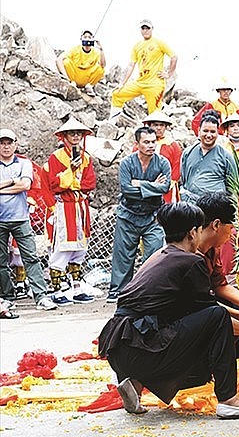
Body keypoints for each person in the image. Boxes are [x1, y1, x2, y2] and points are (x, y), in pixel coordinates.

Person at [97, 202, 239, 418]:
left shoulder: (158, 255)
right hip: (141, 347)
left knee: (200, 323)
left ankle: (136, 383)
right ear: (193, 232)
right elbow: (214, 317)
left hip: (119, 348)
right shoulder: (191, 261)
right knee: (217, 317)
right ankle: (228, 400)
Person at [108, 127, 171, 303]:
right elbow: (126, 190)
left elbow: (165, 188)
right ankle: (118, 292)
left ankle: (148, 290)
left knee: (154, 253)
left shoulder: (162, 163)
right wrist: (152, 186)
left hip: (153, 215)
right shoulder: (127, 163)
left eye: (153, 142)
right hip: (128, 214)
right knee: (123, 255)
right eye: (146, 142)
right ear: (137, 144)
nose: (151, 145)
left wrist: (140, 184)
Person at [0, 129, 56, 313]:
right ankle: (7, 297)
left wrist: (2, 187)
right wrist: (12, 181)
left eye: (9, 143)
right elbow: (19, 184)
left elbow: (26, 185)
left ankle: (41, 296)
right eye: (2, 143)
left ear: (15, 144)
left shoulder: (24, 163)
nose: (6, 147)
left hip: (21, 218)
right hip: (0, 218)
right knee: (1, 261)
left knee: (31, 257)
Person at [43, 118, 97, 306]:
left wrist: (72, 183)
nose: (75, 136)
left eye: (78, 133)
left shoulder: (86, 157)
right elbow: (54, 184)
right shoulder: (56, 157)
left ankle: (77, 288)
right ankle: (56, 290)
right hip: (64, 207)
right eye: (72, 133)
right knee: (62, 247)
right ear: (64, 136)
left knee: (80, 248)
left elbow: (89, 182)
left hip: (80, 206)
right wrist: (70, 172)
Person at [194, 192, 239, 337]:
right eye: (230, 228)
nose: (230, 235)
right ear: (216, 225)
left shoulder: (213, 248)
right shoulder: (192, 257)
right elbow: (207, 306)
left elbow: (220, 286)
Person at [110, 20, 177, 120]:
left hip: (154, 84)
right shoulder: (137, 46)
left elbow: (174, 57)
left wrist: (169, 74)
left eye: (147, 28)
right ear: (140, 30)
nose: (145, 30)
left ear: (152, 29)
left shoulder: (159, 43)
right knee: (117, 94)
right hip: (140, 82)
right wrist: (122, 83)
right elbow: (131, 65)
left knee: (154, 114)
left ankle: (157, 127)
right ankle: (111, 123)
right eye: (143, 28)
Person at [180, 115, 237, 204]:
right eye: (205, 131)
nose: (209, 135)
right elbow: (184, 179)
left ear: (217, 133)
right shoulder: (188, 152)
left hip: (215, 205)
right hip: (190, 204)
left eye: (213, 132)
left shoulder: (226, 156)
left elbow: (233, 186)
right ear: (199, 130)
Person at [141, 110, 182, 203]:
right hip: (146, 184)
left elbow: (178, 165)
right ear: (150, 126)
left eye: (162, 125)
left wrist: (169, 182)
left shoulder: (173, 145)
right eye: (155, 125)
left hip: (167, 186)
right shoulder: (141, 144)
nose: (159, 128)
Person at [56, 30, 105, 96]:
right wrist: (66, 77)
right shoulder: (75, 49)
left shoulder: (96, 52)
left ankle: (89, 86)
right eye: (85, 37)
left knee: (100, 69)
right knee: (66, 62)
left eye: (89, 37)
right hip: (74, 77)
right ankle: (72, 84)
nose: (87, 39)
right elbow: (59, 59)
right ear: (81, 39)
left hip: (86, 78)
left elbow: (103, 65)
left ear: (92, 40)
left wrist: (101, 50)